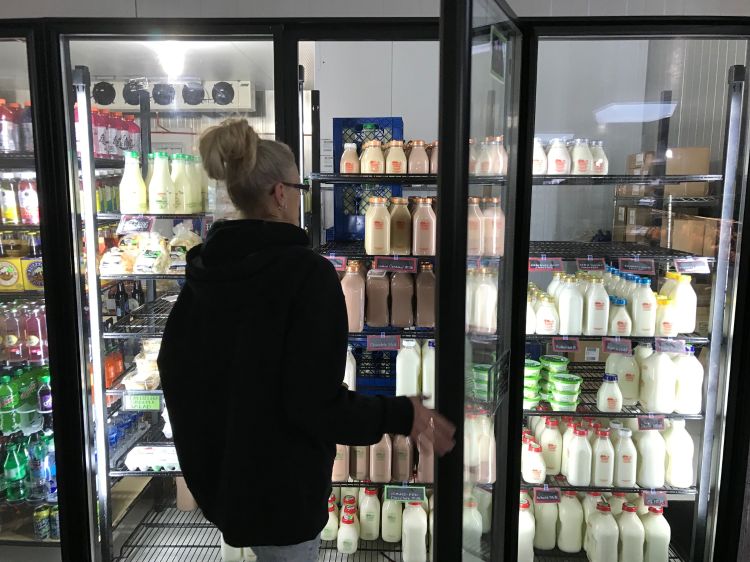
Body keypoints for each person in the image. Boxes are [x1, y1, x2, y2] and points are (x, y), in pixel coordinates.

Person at [157, 120, 455, 561]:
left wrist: (211, 450)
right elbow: (315, 404)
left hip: (223, 483)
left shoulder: (206, 267)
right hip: (282, 490)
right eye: (300, 187)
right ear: (280, 194)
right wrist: (401, 413)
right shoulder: (304, 274)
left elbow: (174, 366)